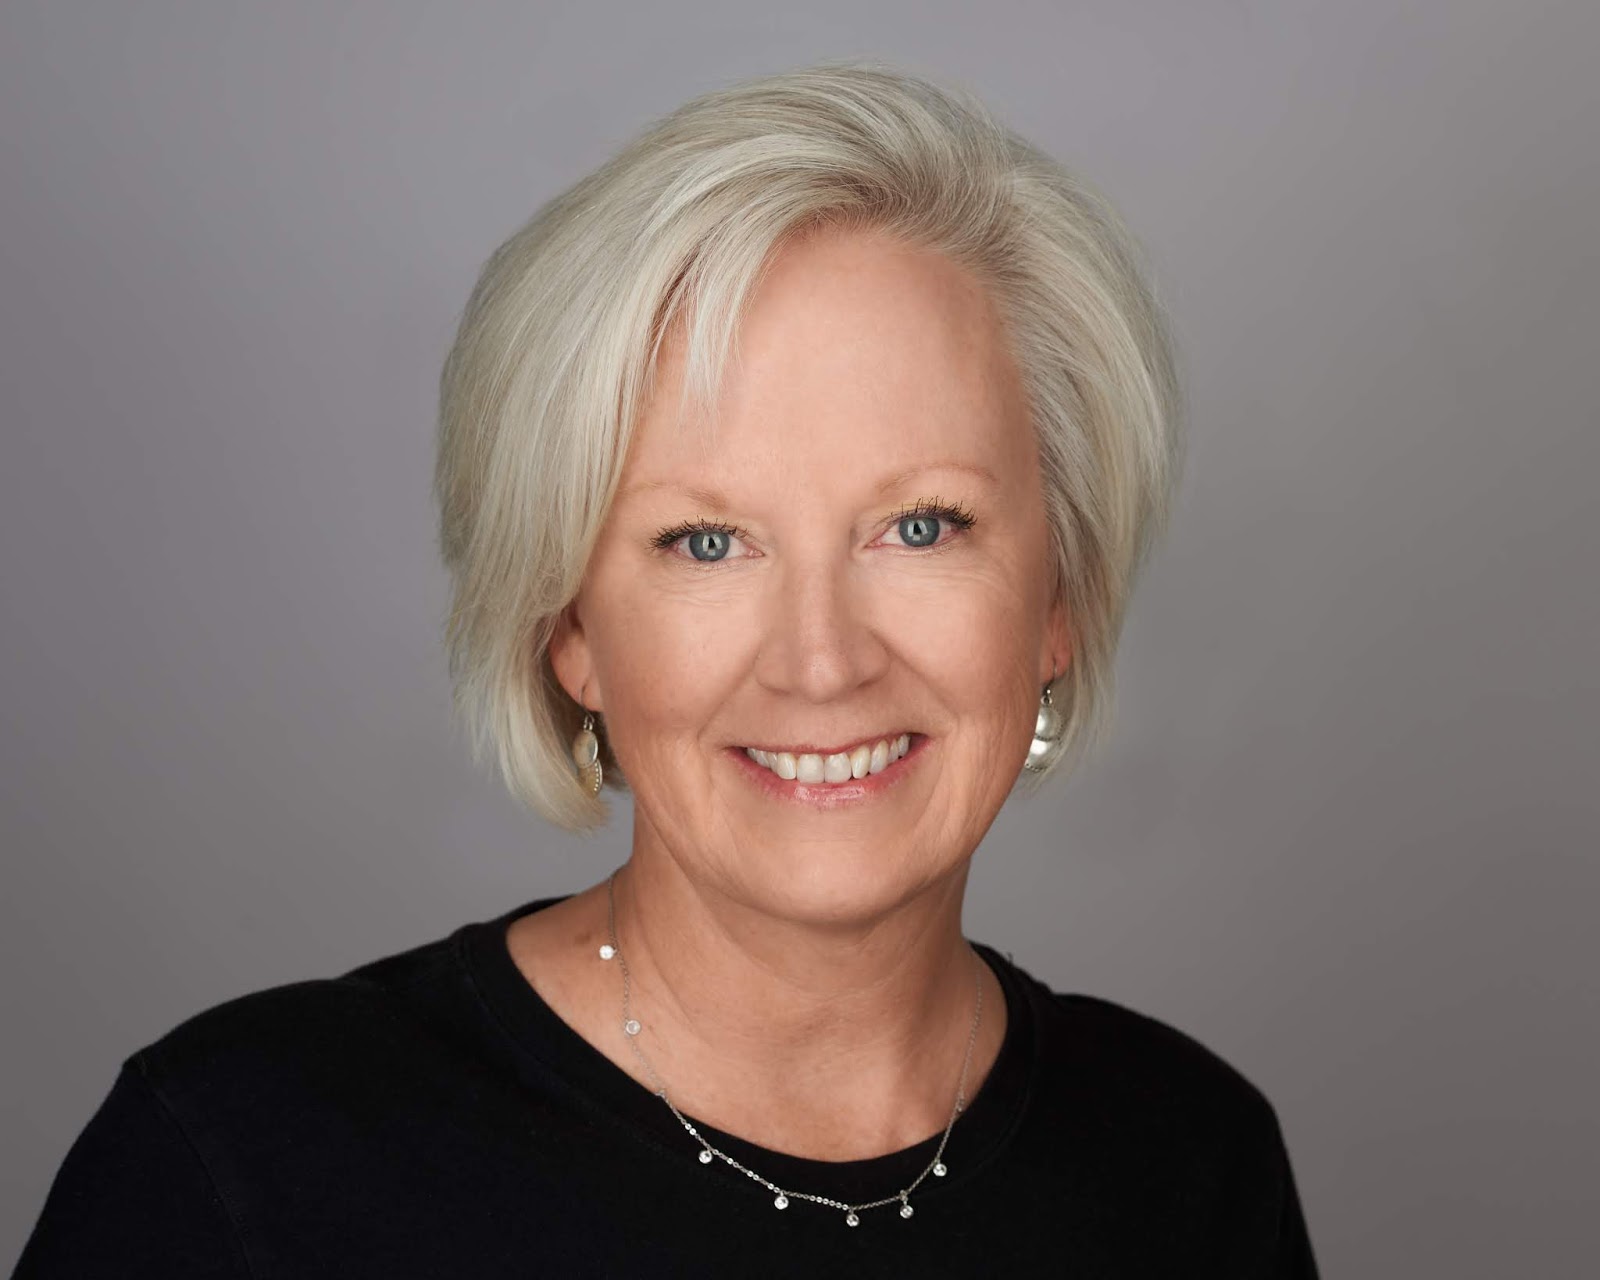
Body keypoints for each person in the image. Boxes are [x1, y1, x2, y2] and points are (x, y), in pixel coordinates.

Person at [14, 60, 1319, 1277]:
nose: (822, 661)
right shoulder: (240, 1170)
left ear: (1058, 597)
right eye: (706, 542)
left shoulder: (1193, 1167)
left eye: (921, 526)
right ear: (569, 627)